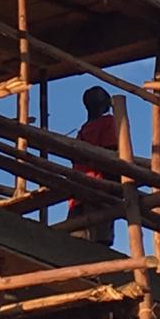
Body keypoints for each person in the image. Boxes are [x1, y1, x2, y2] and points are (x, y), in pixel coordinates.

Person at [69, 86, 119, 246]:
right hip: (100, 188)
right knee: (100, 240)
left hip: (79, 190)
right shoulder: (109, 122)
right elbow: (111, 154)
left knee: (76, 242)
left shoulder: (83, 131)